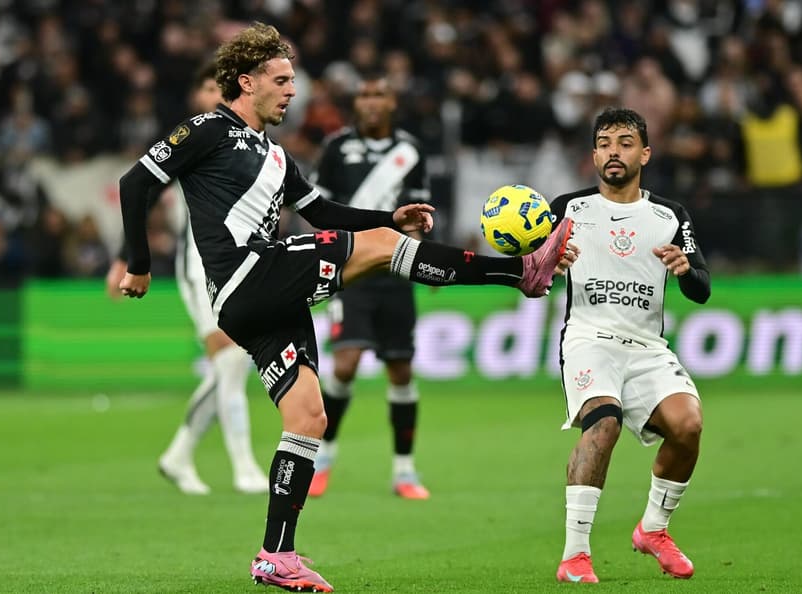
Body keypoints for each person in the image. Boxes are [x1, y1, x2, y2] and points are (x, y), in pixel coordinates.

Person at [117, 22, 577, 592]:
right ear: (246, 81)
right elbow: (135, 183)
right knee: (383, 251)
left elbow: (324, 214)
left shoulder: (277, 157)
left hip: (264, 299)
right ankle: (520, 272)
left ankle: (276, 555)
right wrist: (140, 264)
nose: (292, 91)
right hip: (247, 275)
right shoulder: (209, 128)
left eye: (293, 81)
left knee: (308, 416)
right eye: (281, 80)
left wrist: (388, 217)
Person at [547, 107, 710, 584]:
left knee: (688, 425)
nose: (613, 152)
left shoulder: (669, 216)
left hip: (646, 347)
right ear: (594, 155)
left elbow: (701, 288)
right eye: (604, 144)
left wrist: (685, 269)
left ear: (645, 153)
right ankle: (575, 556)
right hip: (589, 340)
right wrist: (548, 263)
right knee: (604, 422)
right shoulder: (568, 209)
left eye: (624, 143)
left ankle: (653, 529)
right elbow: (531, 274)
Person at [106, 63, 269, 495]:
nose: (215, 94)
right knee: (230, 361)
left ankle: (179, 455)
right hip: (199, 263)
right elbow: (145, 192)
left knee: (232, 364)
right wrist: (126, 258)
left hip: (242, 262)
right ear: (196, 96)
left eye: (221, 87)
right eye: (207, 87)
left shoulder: (250, 139)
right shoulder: (192, 137)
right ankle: (244, 467)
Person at [307, 74, 431, 500]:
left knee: (401, 369)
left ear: (393, 102)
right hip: (352, 271)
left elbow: (418, 216)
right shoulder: (336, 147)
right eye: (364, 95)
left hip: (396, 271)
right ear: (356, 103)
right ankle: (323, 459)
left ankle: (404, 471)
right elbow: (318, 208)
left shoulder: (411, 150)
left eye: (379, 95)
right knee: (345, 364)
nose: (371, 102)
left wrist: (426, 263)